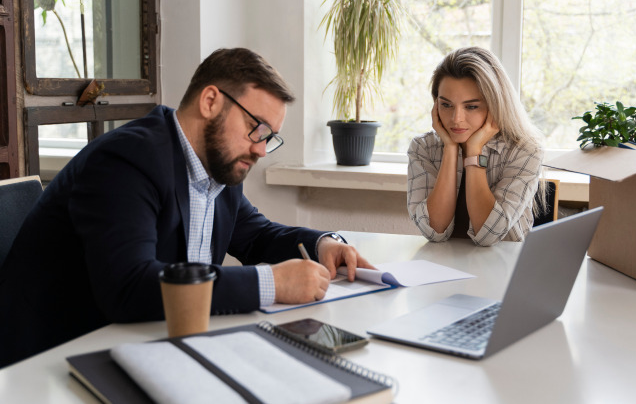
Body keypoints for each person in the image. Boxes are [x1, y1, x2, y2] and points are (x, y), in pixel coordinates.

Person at [0, 48, 372, 367]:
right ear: (210, 101)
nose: (260, 148)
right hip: (51, 362)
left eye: (269, 138)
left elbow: (257, 235)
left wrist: (325, 242)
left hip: (146, 346)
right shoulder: (128, 159)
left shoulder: (217, 168)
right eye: (256, 128)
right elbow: (128, 288)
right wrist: (271, 283)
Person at [407, 46, 545, 246]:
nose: (456, 119)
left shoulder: (525, 150)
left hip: (503, 269)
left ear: (496, 105)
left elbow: (489, 234)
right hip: (442, 267)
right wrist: (450, 148)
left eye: (471, 106)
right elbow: (433, 230)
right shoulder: (423, 148)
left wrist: (473, 152)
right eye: (446, 105)